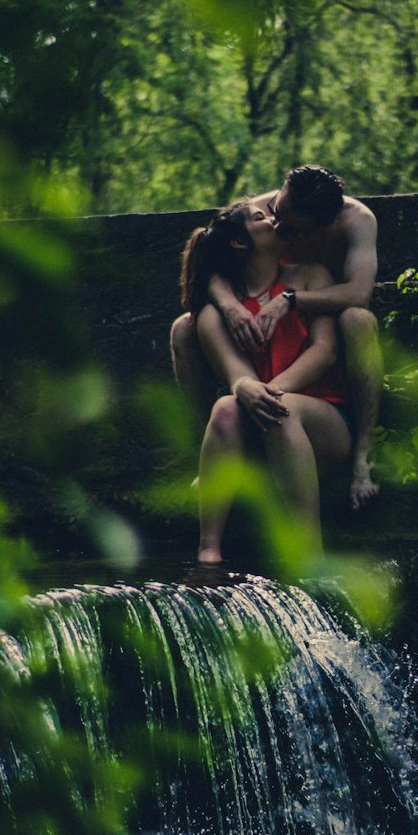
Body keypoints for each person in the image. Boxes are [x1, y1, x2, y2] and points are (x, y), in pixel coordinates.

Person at [171, 166, 381, 509]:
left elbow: (359, 294)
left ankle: (364, 455)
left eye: (289, 227)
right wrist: (229, 307)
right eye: (275, 214)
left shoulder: (357, 221)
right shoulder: (264, 210)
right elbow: (209, 254)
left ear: (320, 226)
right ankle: (207, 451)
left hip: (322, 330)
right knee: (184, 327)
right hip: (262, 336)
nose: (276, 225)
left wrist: (290, 301)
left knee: (360, 321)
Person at [180, 199, 353, 564]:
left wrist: (272, 391)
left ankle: (309, 552)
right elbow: (234, 370)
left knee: (282, 408)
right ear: (240, 243)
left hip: (324, 423)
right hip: (257, 424)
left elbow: (325, 351)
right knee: (225, 407)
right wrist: (243, 387)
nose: (274, 219)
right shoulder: (218, 310)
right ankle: (208, 549)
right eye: (261, 217)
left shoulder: (311, 275)